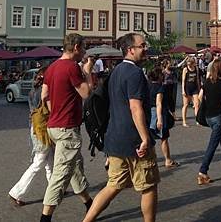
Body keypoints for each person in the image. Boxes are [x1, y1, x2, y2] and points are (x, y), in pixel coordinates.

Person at [84, 33, 159, 222]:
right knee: (148, 186)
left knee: (113, 185)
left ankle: (87, 220)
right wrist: (145, 138)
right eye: (142, 46)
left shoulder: (115, 71)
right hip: (133, 139)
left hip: (115, 139)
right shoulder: (134, 73)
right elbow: (135, 107)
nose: (146, 48)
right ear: (130, 50)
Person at [40, 34, 92, 222]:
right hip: (67, 128)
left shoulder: (52, 67)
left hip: (54, 126)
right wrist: (87, 71)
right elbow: (86, 93)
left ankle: (89, 204)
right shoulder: (72, 67)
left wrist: (55, 112)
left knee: (74, 167)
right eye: (84, 48)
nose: (85, 52)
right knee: (61, 174)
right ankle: (45, 218)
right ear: (76, 47)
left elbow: (44, 95)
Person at [9, 68, 54, 206]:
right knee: (39, 162)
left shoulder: (33, 91)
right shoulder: (44, 92)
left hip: (35, 128)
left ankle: (55, 189)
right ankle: (17, 191)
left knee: (49, 161)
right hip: (42, 129)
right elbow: (51, 110)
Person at [148, 66, 179, 169]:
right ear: (159, 76)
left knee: (149, 139)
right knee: (164, 138)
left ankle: (150, 160)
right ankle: (168, 160)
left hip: (149, 113)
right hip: (159, 113)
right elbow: (159, 103)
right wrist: (160, 118)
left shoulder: (147, 86)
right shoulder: (160, 87)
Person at [181, 57, 201, 127]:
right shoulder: (185, 69)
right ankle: (184, 121)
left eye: (190, 64)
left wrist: (199, 89)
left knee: (197, 104)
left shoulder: (196, 69)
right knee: (185, 105)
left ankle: (198, 120)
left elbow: (198, 79)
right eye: (188, 64)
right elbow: (183, 81)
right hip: (187, 88)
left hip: (194, 88)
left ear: (193, 63)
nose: (189, 65)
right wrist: (183, 90)